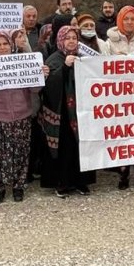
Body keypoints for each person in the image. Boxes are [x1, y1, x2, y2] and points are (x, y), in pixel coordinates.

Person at [0, 31, 49, 203]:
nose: (2, 48)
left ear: (11, 45)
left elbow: (35, 90)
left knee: (21, 154)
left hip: (21, 116)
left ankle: (18, 186)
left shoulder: (23, 61)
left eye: (5, 44)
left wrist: (41, 75)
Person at [101, 6, 134, 187]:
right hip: (118, 99)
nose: (129, 22)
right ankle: (122, 174)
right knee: (121, 135)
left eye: (132, 19)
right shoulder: (109, 43)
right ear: (120, 20)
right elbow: (103, 69)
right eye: (126, 19)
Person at [40, 26, 91, 196]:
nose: (71, 41)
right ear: (61, 40)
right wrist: (65, 67)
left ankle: (81, 181)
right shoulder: (54, 59)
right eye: (67, 38)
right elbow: (48, 87)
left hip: (80, 112)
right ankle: (62, 182)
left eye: (74, 38)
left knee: (80, 147)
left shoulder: (84, 58)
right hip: (61, 113)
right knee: (64, 148)